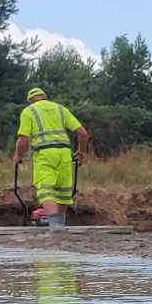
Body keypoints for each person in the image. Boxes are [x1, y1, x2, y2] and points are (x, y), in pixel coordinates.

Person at [15, 86, 92, 228]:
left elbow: (23, 140)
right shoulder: (61, 109)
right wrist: (81, 151)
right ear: (45, 96)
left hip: (45, 154)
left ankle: (55, 229)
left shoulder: (29, 111)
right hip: (64, 154)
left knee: (46, 191)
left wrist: (18, 156)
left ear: (30, 100)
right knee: (63, 192)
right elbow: (82, 133)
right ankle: (59, 227)